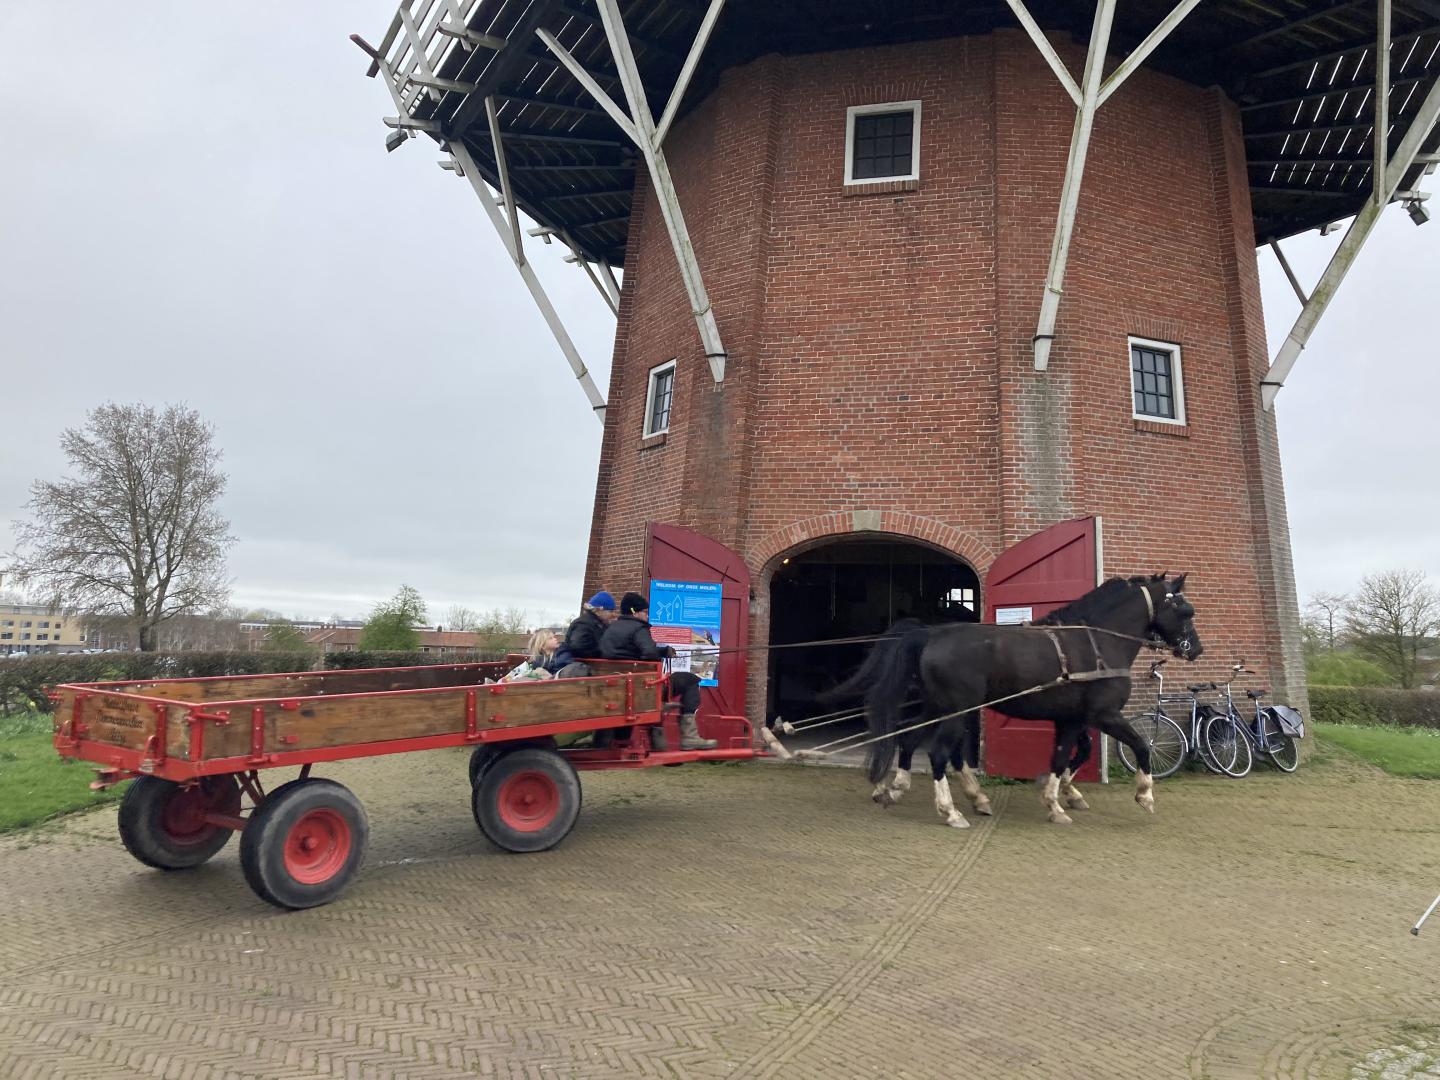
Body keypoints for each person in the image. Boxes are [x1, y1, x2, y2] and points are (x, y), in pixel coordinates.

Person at [600, 591, 716, 751]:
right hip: (641, 686)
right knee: (690, 679)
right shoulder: (639, 629)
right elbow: (648, 653)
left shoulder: (611, 629)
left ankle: (657, 737)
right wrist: (655, 659)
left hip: (619, 683)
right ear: (635, 611)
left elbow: (627, 651)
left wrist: (664, 651)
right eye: (645, 612)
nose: (647, 616)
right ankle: (689, 737)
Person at [555, 592, 618, 678]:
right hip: (580, 671)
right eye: (610, 611)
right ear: (599, 610)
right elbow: (578, 646)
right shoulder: (583, 624)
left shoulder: (599, 624)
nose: (613, 614)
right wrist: (603, 651)